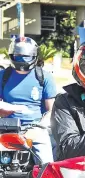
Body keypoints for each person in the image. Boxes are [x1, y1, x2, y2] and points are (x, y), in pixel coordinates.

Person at [0, 36, 56, 164]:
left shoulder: (44, 77)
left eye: (26, 56)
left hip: (35, 127)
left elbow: (51, 110)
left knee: (46, 166)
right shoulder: (3, 76)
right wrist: (8, 108)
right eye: (18, 56)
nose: (22, 60)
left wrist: (39, 127)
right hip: (7, 128)